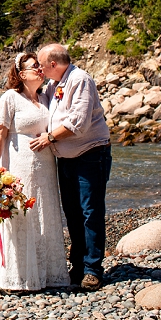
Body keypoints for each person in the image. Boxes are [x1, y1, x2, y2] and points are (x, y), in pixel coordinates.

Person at [0, 52, 70, 292]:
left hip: (45, 166)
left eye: (40, 66)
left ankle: (45, 273)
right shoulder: (10, 98)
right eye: (35, 67)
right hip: (18, 164)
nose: (40, 70)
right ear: (22, 75)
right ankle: (17, 276)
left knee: (45, 213)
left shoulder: (45, 98)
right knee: (21, 214)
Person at [30, 43, 112, 291]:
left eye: (41, 66)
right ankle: (77, 265)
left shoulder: (80, 80)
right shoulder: (55, 84)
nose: (40, 70)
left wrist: (49, 138)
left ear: (53, 64)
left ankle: (92, 270)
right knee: (73, 213)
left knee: (90, 212)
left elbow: (79, 123)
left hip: (90, 154)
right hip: (66, 158)